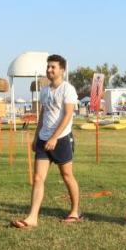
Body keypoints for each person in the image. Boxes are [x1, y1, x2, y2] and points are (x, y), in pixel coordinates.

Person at [11, 54, 82, 228]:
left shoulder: (68, 89)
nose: (49, 70)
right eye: (48, 67)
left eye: (53, 67)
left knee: (66, 175)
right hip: (44, 139)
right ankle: (32, 217)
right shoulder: (44, 90)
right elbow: (43, 114)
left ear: (62, 70)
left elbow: (67, 116)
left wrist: (54, 138)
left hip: (62, 139)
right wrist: (37, 136)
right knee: (38, 178)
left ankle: (75, 211)